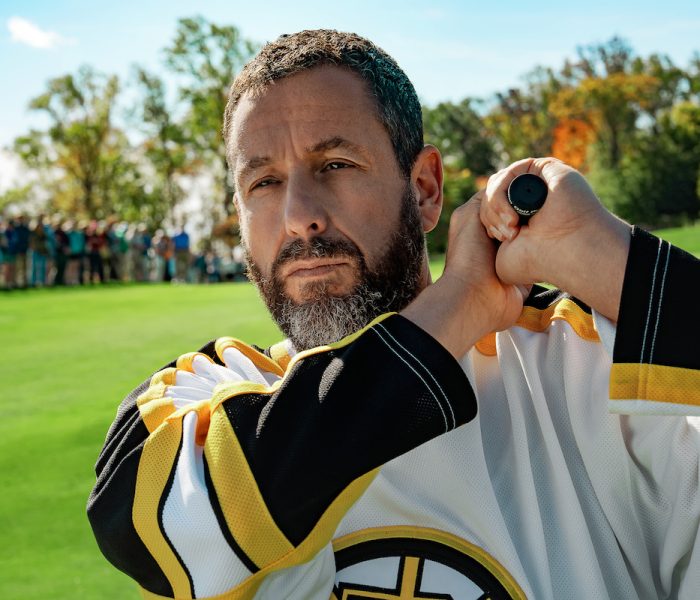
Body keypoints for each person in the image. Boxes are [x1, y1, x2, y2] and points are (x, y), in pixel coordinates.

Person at [87, 30, 700, 600]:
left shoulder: (582, 360)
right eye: (264, 183)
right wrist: (457, 307)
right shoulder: (212, 396)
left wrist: (615, 263)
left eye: (335, 165)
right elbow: (140, 528)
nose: (299, 216)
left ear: (425, 189)